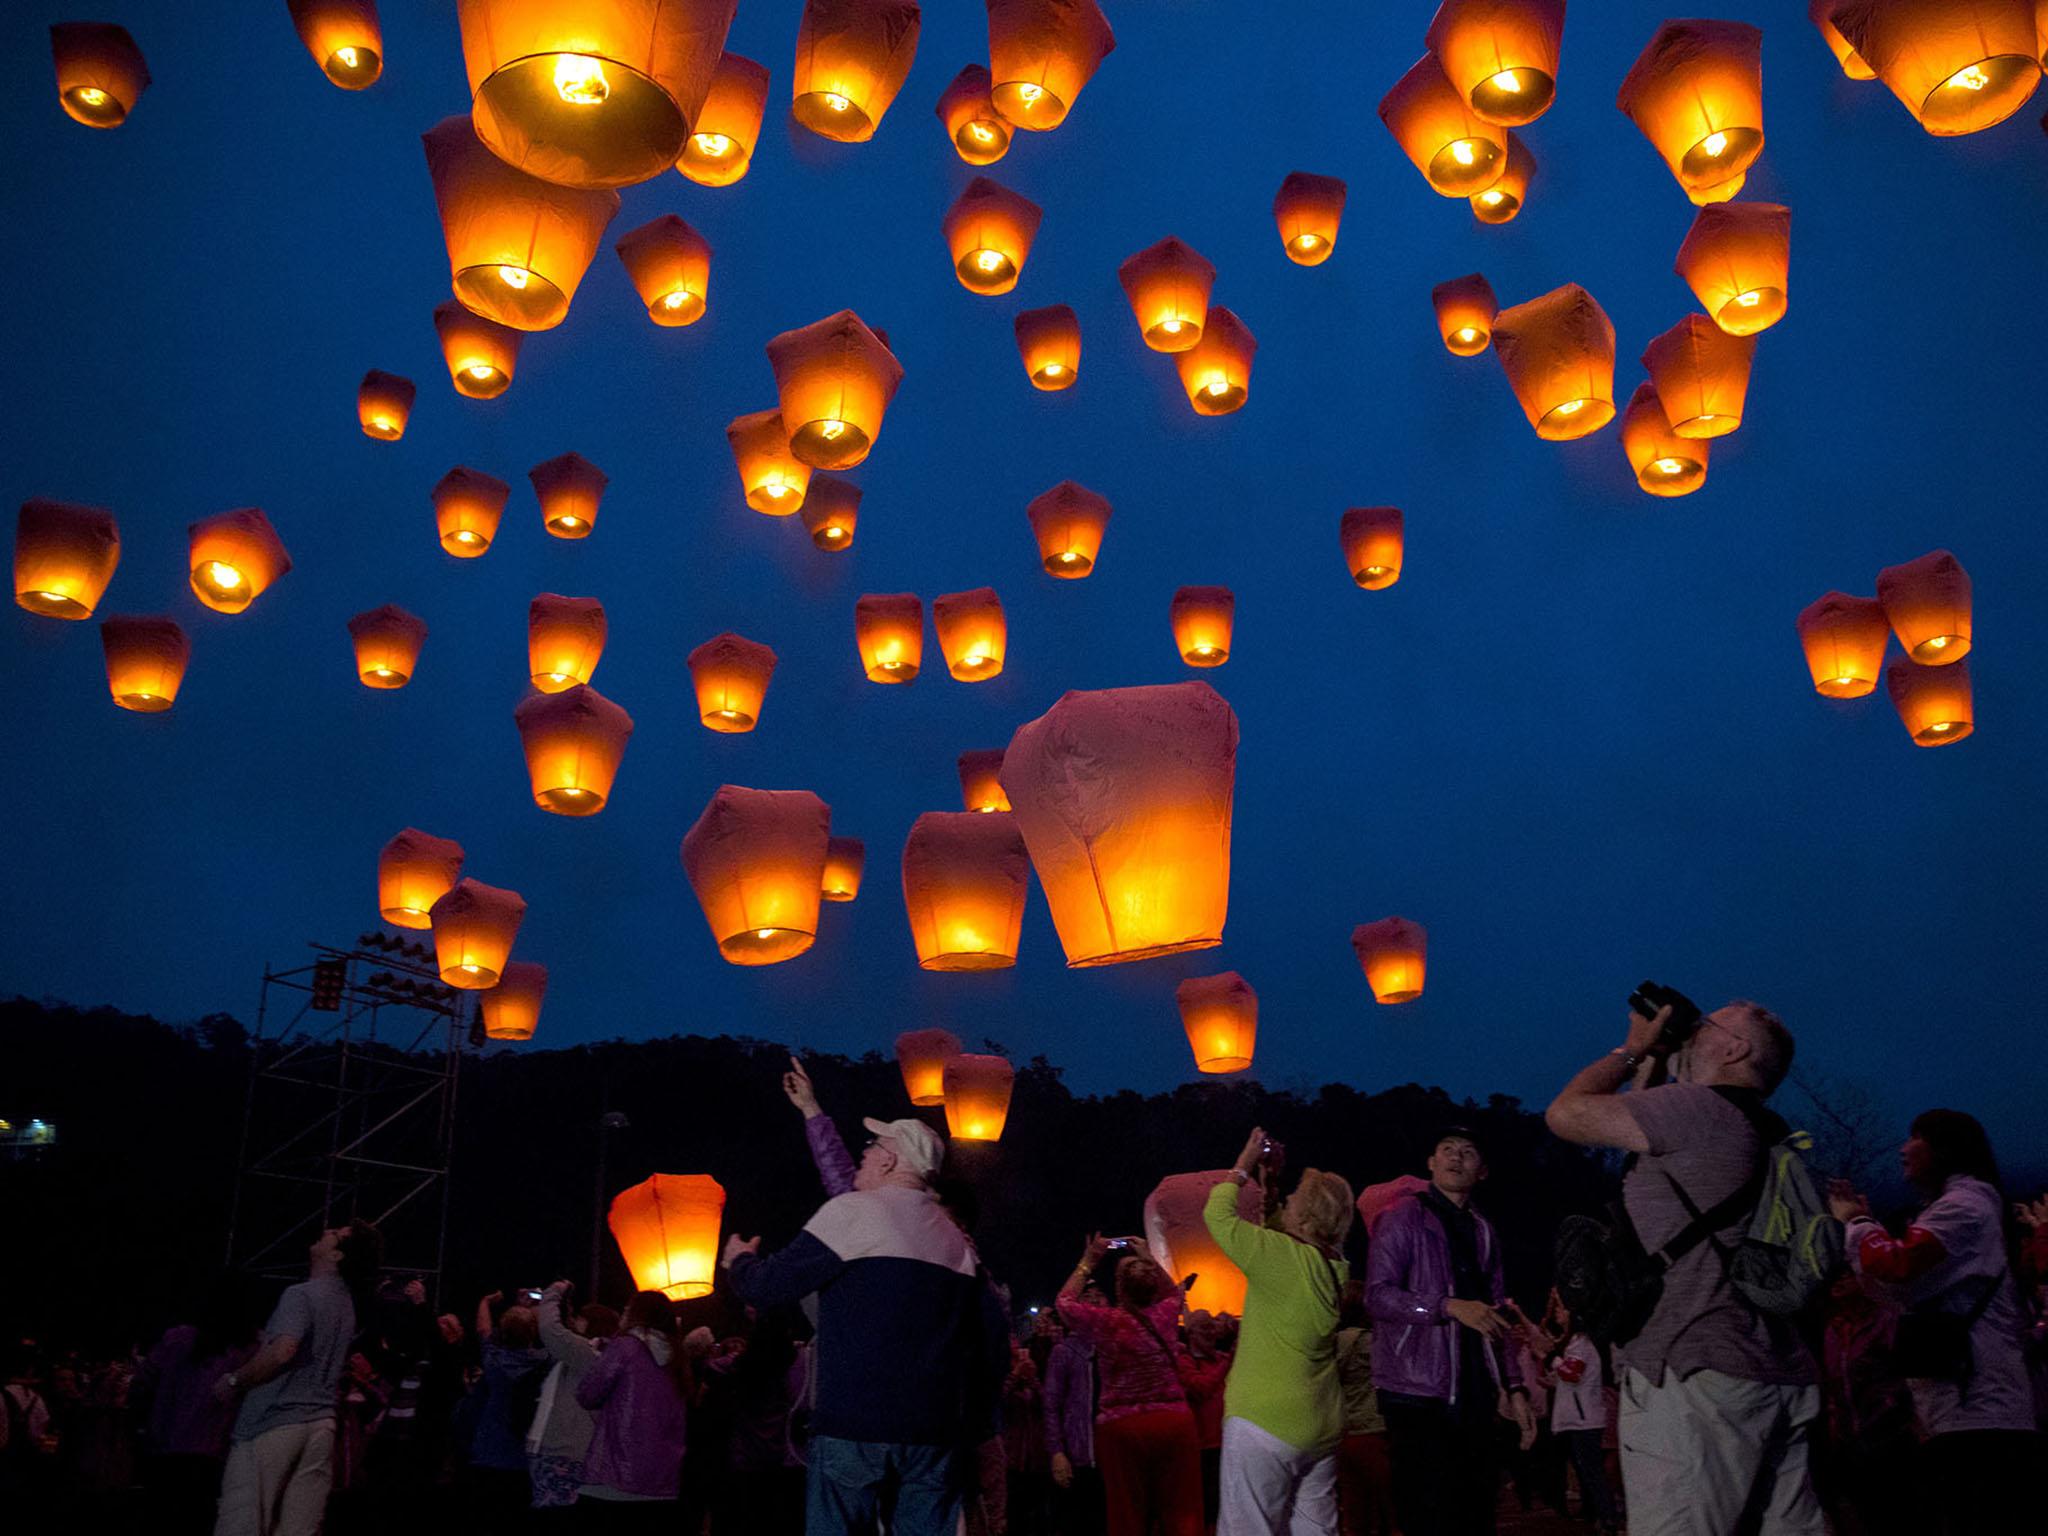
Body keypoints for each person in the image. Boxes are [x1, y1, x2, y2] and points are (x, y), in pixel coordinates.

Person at [1545, 994, 1822, 1536]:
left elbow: (1566, 1113)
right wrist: (1657, 1063)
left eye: (1708, 1025)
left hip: (1695, 1374)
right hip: (1776, 1370)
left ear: (1736, 1048)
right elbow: (1640, 1147)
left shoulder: (1699, 1110)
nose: (1694, 1032)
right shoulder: (1768, 1134)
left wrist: (1632, 1050)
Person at [723, 1115, 995, 1536]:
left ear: (888, 1159)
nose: (863, 1153)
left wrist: (739, 1260)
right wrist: (973, 1425)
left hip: (854, 1425)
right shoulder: (958, 1243)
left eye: (871, 1144)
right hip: (934, 1433)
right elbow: (991, 1343)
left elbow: (766, 1287)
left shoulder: (852, 1212)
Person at [1830, 1108, 2039, 1535]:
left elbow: (1896, 1268)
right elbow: (1890, 1291)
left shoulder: (1963, 1207)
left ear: (1944, 1148)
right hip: (1961, 1412)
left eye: (1914, 1137)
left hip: (1980, 1412)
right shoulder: (1965, 1206)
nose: (1903, 1148)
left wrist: (1857, 1222)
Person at [1364, 1127, 1534, 1536]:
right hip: (1415, 1390)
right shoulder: (1403, 1216)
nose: (1456, 1158)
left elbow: (1497, 1312)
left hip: (1473, 1391)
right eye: (1447, 1150)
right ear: (1430, 1162)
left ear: (1483, 1171)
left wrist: (1515, 1387)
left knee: (1475, 1510)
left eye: (1468, 1152)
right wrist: (1444, 1306)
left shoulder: (1483, 1230)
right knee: (1426, 1513)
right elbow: (1377, 1296)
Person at [1203, 1127, 1354, 1534]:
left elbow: (1216, 1216)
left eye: (1293, 1200)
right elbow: (1280, 1240)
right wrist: (1271, 1184)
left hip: (1265, 1421)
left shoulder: (1281, 1258)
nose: (1286, 1201)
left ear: (1304, 1217)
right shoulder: (1334, 1266)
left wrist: (1243, 1164)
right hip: (1321, 1421)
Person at [211, 1219, 383, 1536]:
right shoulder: (345, 1304)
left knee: (242, 1522)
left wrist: (234, 1381)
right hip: (320, 1427)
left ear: (337, 1256)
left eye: (337, 1234)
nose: (329, 1230)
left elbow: (283, 1352)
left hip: (273, 1423)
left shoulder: (301, 1295)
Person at [1056, 1234, 1203, 1536]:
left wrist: (1090, 1260)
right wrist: (1147, 1256)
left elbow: (1064, 1302)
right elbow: (1173, 1291)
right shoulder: (1166, 1312)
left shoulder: (1106, 1322)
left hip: (1122, 1427)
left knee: (1127, 1515)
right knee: (1182, 1512)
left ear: (1119, 1288)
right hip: (1173, 1422)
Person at [133, 1279, 260, 1536]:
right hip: (214, 1455)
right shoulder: (247, 1351)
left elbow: (141, 1385)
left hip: (163, 1450)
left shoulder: (177, 1339)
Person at [574, 1289, 691, 1526]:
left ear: (636, 1314)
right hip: (662, 1481)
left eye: (627, 1309)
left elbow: (587, 1395)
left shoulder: (624, 1347)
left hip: (613, 1477)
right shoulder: (679, 1359)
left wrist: (600, 1356)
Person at [528, 1280, 618, 1518]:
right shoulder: (599, 1353)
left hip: (564, 1454)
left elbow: (550, 1330)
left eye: (579, 1318)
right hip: (572, 1453)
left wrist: (552, 1293)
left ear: (590, 1323)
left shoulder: (588, 1354)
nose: (574, 1322)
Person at [463, 1292, 552, 1520]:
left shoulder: (494, 1360)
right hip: (527, 1451)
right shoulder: (545, 1362)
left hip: (490, 1447)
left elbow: (483, 1330)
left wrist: (484, 1301)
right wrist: (542, 1309)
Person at [1542, 1306, 1619, 1534]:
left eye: (1562, 1310)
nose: (1558, 1314)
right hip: (1580, 1418)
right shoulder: (1577, 1343)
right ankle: (1603, 1516)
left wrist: (1554, 1360)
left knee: (1593, 1473)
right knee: (1589, 1472)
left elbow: (1573, 1374)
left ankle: (1608, 1518)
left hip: (1584, 1420)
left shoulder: (1581, 1344)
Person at [1332, 1285, 1393, 1536]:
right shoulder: (1378, 1340)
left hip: (1346, 1432)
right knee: (1391, 1509)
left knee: (1356, 1512)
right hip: (1376, 1428)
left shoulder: (1334, 1343)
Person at [1044, 1296, 1105, 1536]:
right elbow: (1051, 1404)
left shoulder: (1110, 1349)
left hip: (1107, 1457)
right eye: (1088, 1300)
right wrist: (1057, 1451)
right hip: (1076, 1456)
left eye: (1099, 1299)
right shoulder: (1064, 1352)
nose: (1096, 1305)